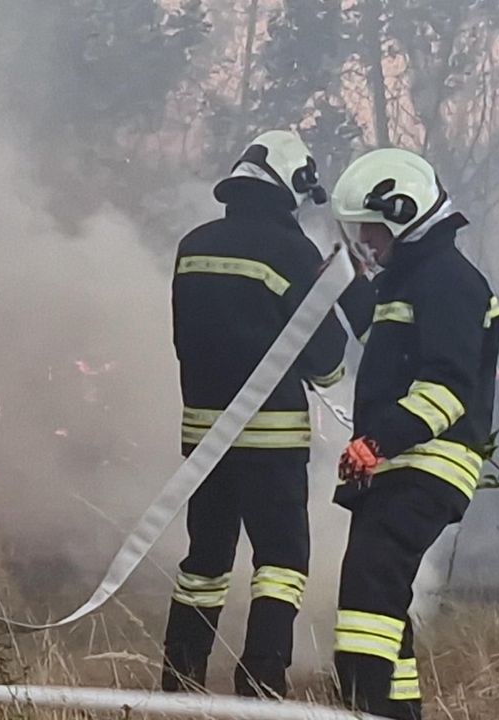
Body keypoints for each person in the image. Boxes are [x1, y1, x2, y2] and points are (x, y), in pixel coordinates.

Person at [162, 130, 354, 698]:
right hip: (271, 439)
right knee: (281, 560)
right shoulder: (292, 251)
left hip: (204, 436)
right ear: (293, 185)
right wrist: (333, 382)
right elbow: (322, 355)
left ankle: (178, 683)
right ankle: (262, 683)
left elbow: (186, 338)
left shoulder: (192, 245)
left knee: (204, 562)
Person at [329, 148, 499, 719]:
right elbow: (385, 345)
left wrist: (380, 442)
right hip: (403, 463)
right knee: (382, 609)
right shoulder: (410, 282)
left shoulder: (450, 282)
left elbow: (448, 386)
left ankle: (366, 707)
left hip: (427, 463)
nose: (366, 244)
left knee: (367, 602)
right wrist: (341, 286)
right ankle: (396, 711)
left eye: (371, 233)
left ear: (402, 213)